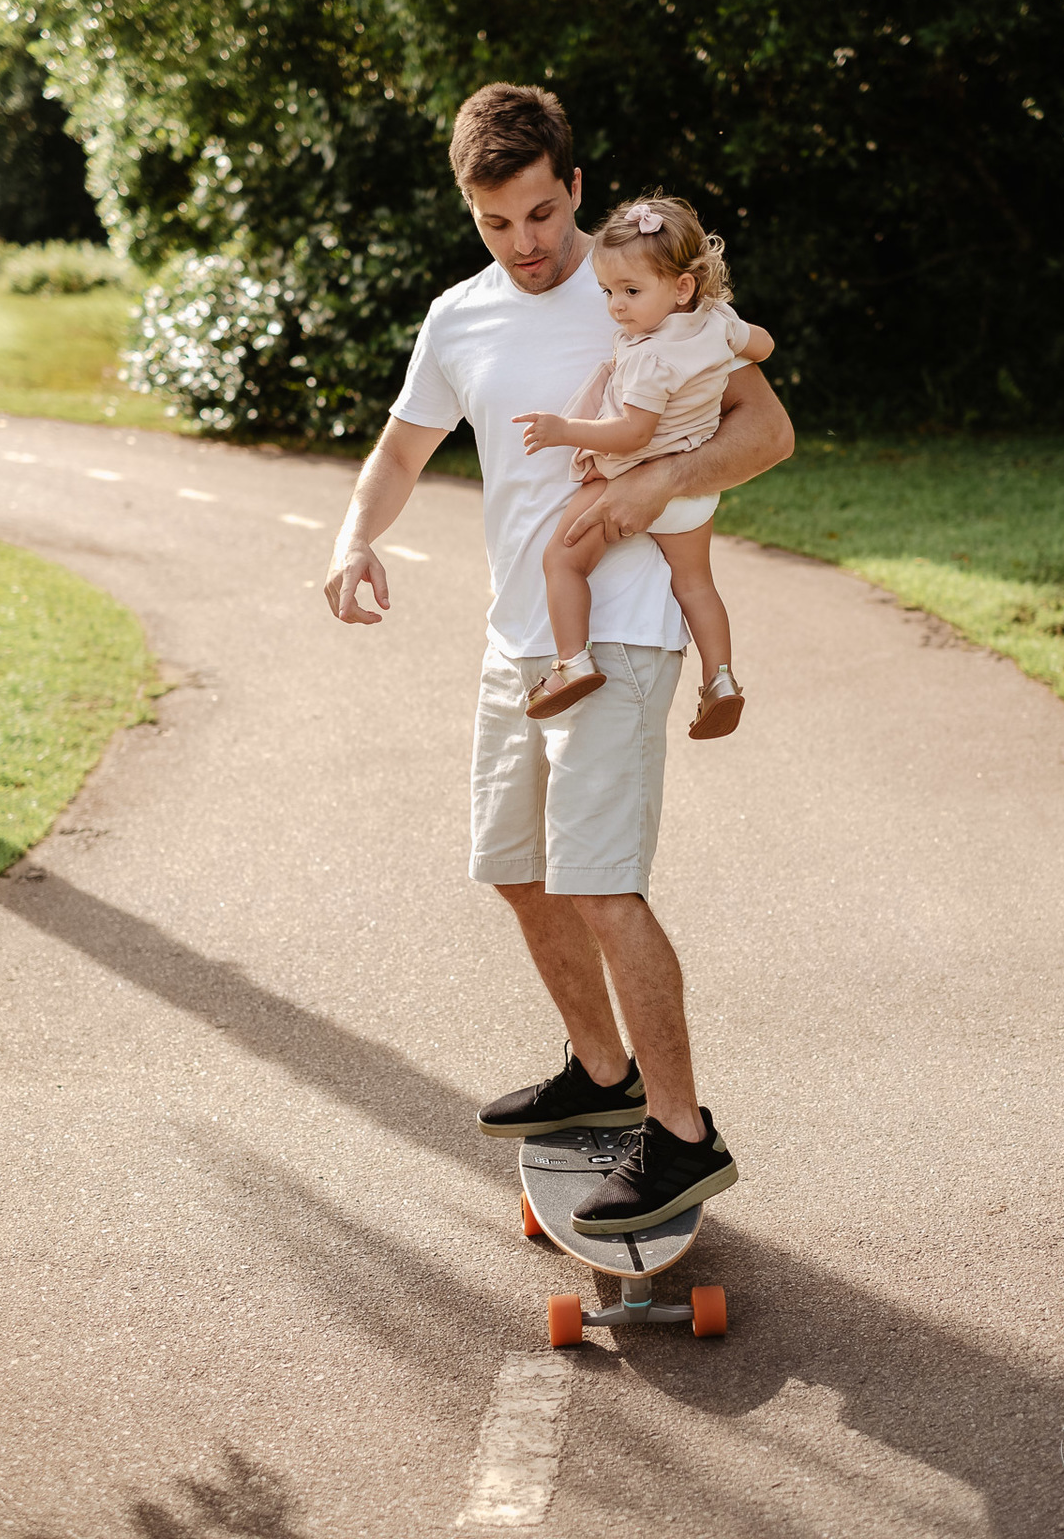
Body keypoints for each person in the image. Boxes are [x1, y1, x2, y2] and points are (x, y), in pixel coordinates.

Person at [324, 82, 793, 1235]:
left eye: (540, 214)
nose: (526, 245)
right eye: (497, 223)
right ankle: (600, 1069)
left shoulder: (642, 286)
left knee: (598, 880)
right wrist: (351, 538)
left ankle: (683, 1135)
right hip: (517, 638)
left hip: (622, 628)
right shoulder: (460, 318)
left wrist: (656, 481)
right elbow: (400, 449)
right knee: (516, 868)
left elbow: (766, 430)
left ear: (574, 188)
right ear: (469, 211)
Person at [513, 193, 775, 738]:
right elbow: (765, 345)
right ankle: (721, 681)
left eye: (631, 291)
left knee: (562, 562)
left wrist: (566, 431)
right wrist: (733, 335)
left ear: (682, 286)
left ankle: (572, 662)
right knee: (697, 585)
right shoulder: (717, 322)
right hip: (692, 493)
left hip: (626, 477)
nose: (617, 306)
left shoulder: (651, 357)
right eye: (609, 291)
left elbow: (634, 432)